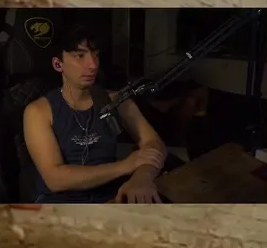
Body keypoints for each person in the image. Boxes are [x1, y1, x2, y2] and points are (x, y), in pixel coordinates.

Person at [22, 23, 167, 204]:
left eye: (96, 55)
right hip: (60, 201)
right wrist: (125, 166)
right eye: (80, 56)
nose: (93, 65)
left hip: (110, 195)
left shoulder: (115, 100)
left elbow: (153, 143)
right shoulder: (38, 111)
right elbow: (55, 179)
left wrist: (142, 177)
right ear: (58, 64)